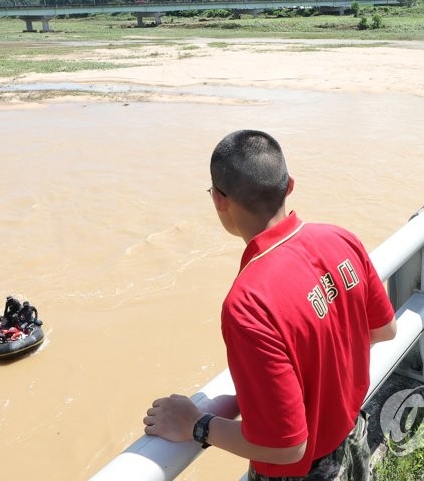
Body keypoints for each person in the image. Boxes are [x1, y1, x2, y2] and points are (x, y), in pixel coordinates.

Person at [144, 130, 396, 480]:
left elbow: (285, 446)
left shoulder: (249, 304)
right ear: (289, 184)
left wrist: (195, 424)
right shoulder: (341, 239)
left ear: (219, 200)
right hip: (354, 439)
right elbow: (385, 329)